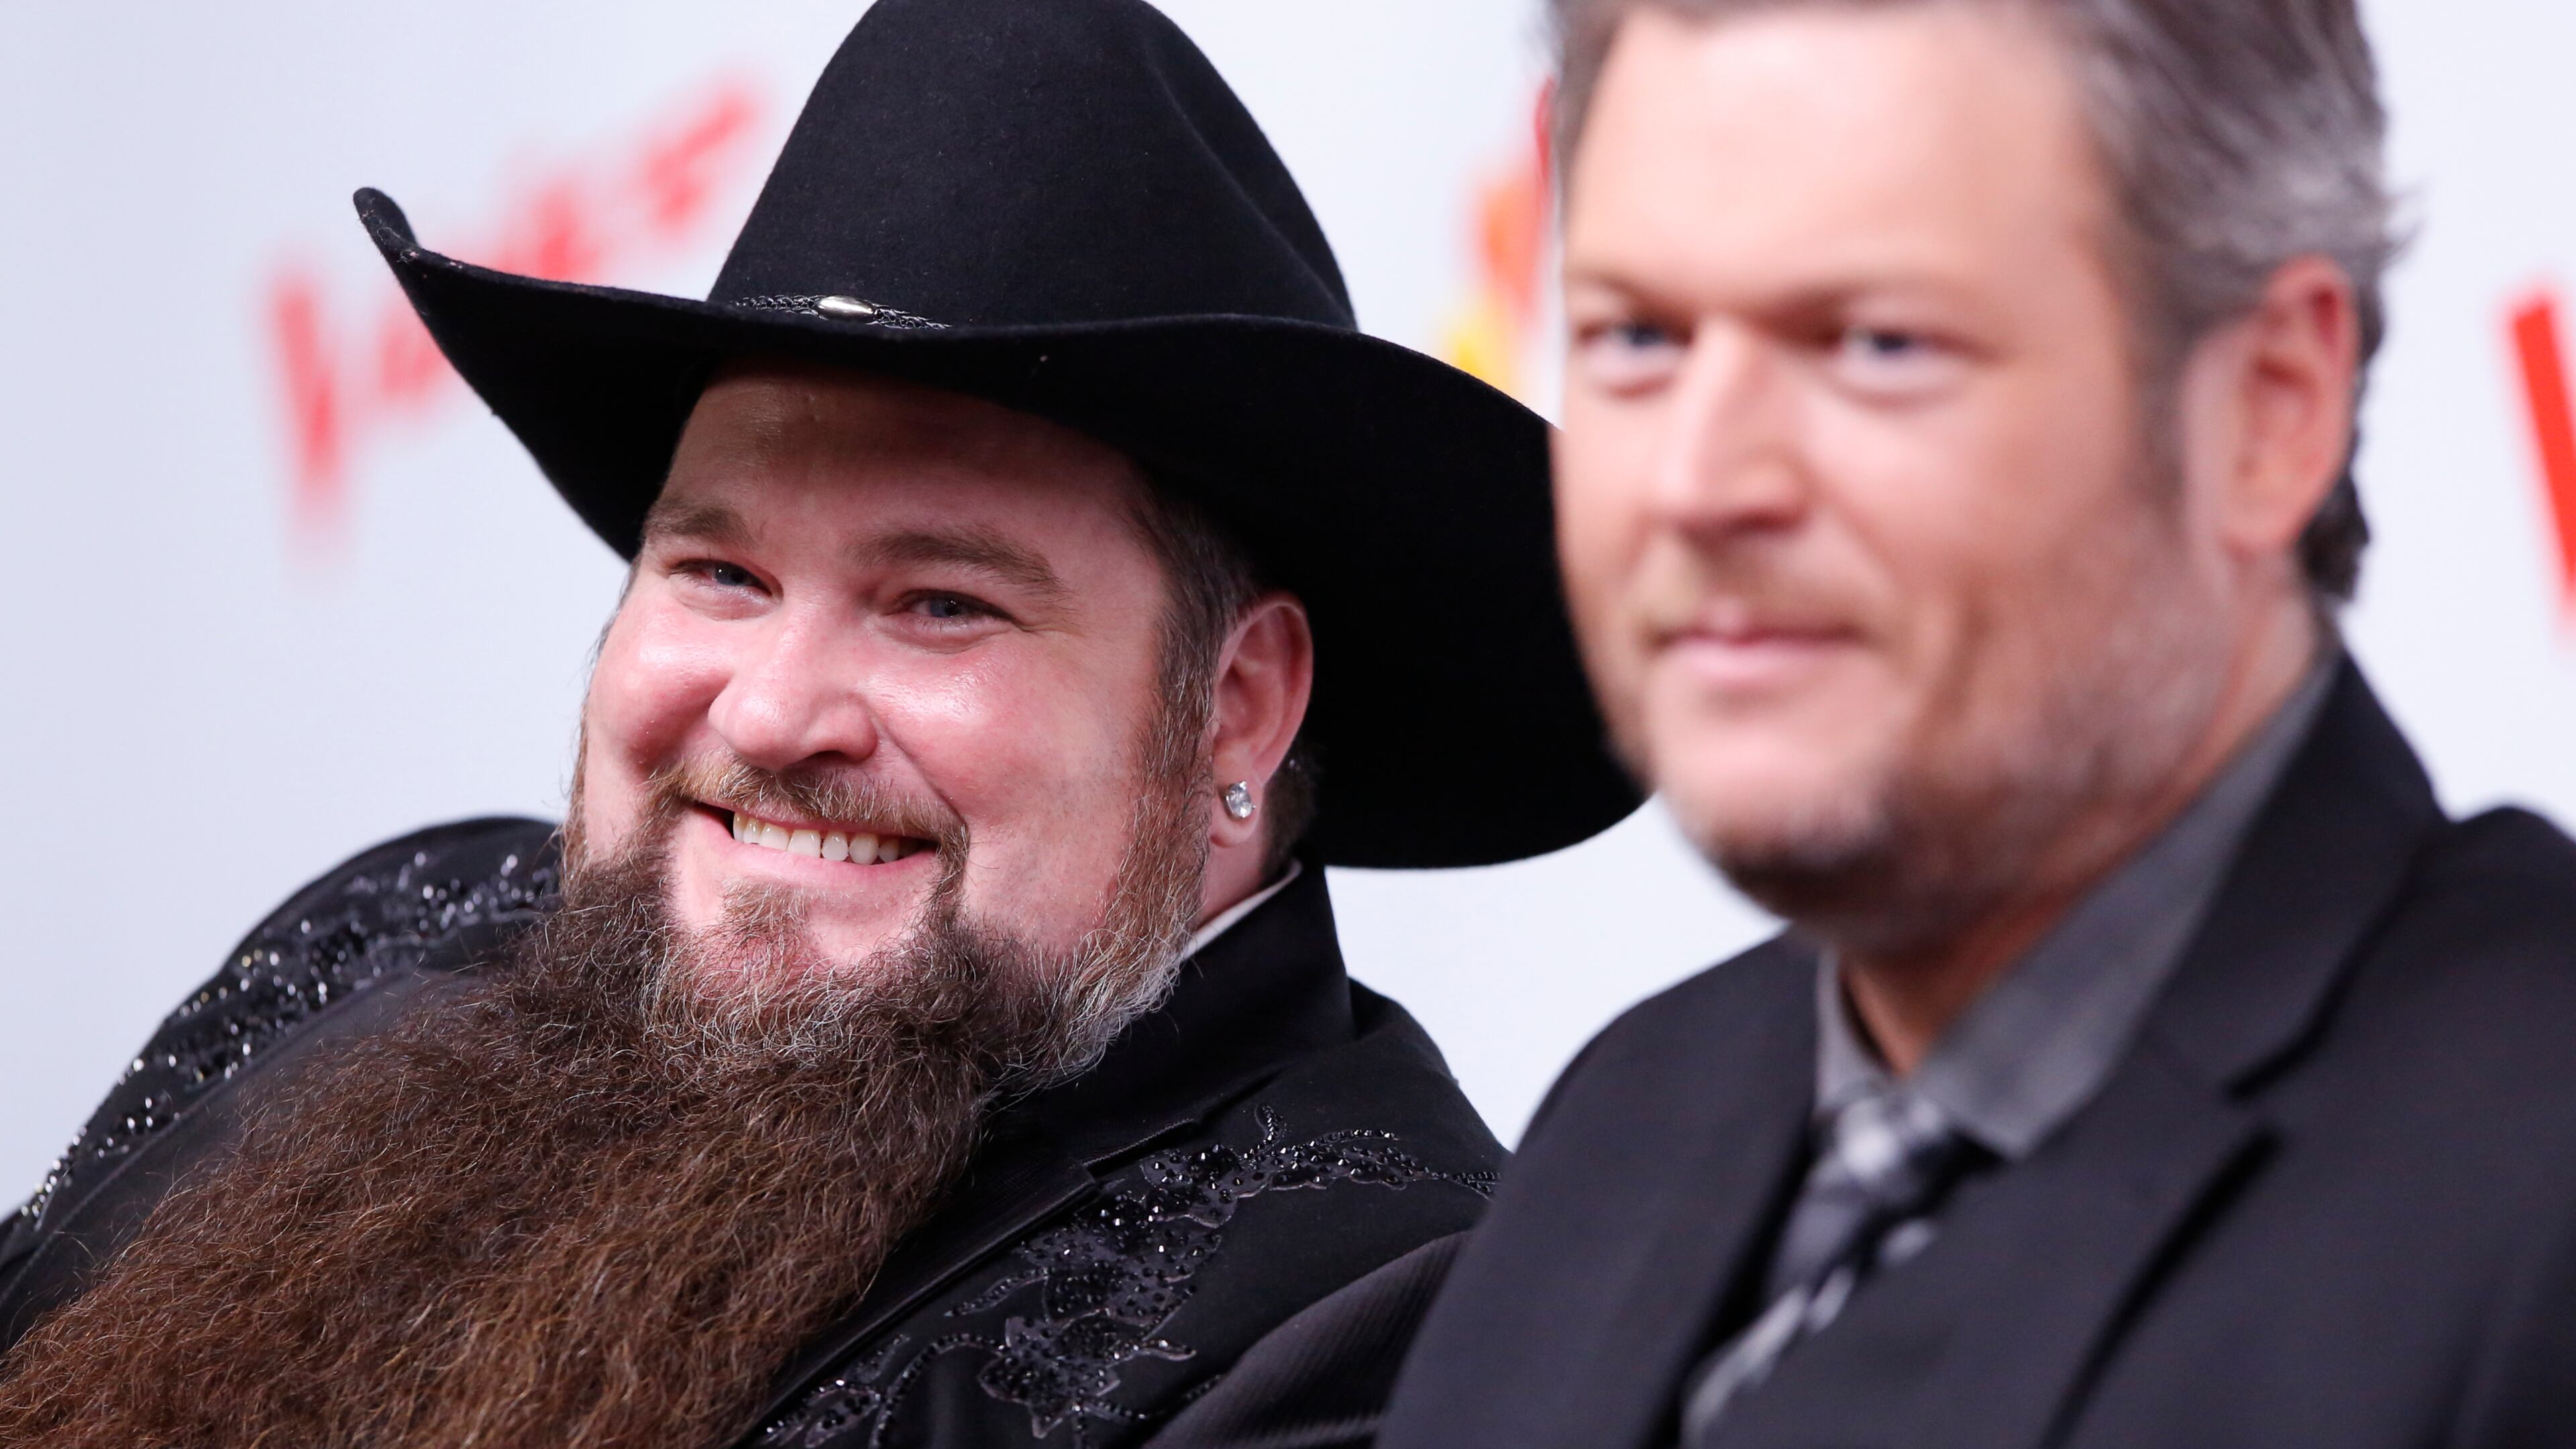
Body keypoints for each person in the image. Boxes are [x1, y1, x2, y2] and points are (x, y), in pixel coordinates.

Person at [0, 3, 1638, 1446]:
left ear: (1239, 705)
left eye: (940, 603)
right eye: (719, 573)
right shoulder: (388, 930)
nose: (774, 713)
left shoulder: (1395, 1328)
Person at [1379, 1, 2576, 1446]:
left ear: (2271, 407)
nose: (1697, 480)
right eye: (1637, 337)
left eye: (1878, 344)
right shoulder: (1622, 1125)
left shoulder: (2534, 1175)